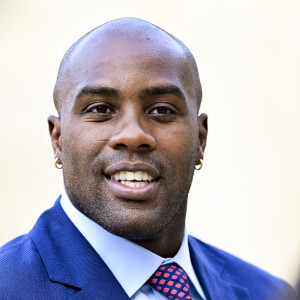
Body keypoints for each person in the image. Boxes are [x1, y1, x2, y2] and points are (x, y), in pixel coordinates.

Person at [0, 18, 294, 300]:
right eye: (101, 109)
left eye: (162, 110)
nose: (132, 135)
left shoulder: (268, 293)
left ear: (200, 139)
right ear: (58, 139)